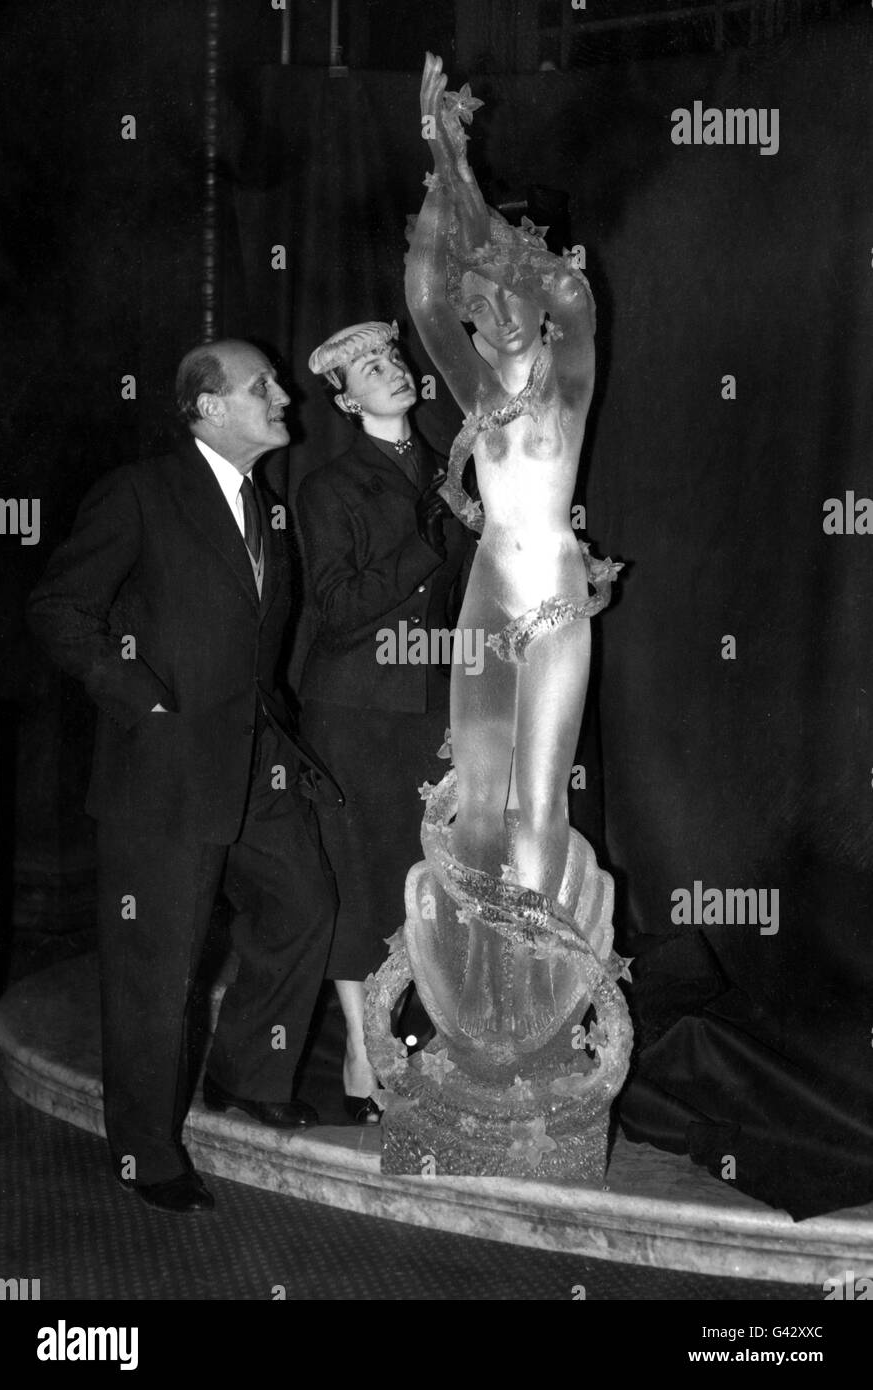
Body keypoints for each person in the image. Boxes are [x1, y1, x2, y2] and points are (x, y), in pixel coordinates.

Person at [27, 340, 340, 1213]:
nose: (284, 394)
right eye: (262, 386)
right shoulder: (140, 492)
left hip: (256, 774)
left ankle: (244, 1073)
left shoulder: (264, 509)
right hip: (161, 778)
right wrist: (142, 699)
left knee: (303, 903)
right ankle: (145, 1152)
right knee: (155, 971)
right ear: (207, 407)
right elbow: (58, 608)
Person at [404, 55, 621, 1041]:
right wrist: (435, 154)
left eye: (504, 296)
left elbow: (568, 298)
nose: (486, 318)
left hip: (556, 598)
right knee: (478, 804)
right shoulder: (475, 395)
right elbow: (420, 297)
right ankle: (480, 1006)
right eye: (477, 306)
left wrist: (465, 180)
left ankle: (535, 1005)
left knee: (539, 803)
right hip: (489, 596)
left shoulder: (567, 376)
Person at [298, 321, 470, 1121]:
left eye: (394, 358)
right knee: (365, 882)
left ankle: (431, 1047)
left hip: (442, 705)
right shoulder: (329, 486)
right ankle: (365, 1055)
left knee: (436, 881)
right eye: (369, 368)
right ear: (344, 398)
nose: (390, 371)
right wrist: (432, 535)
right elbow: (337, 610)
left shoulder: (453, 470)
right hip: (358, 710)